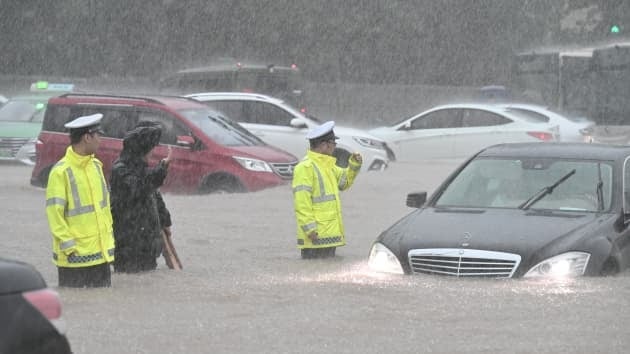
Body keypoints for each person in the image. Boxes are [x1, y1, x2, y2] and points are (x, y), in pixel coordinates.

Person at [45, 113, 115, 288]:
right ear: (87, 137)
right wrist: (70, 248)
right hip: (74, 261)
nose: (100, 140)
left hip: (101, 256)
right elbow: (55, 215)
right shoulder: (60, 172)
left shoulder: (96, 166)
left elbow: (104, 209)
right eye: (98, 135)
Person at [292, 121, 362, 259]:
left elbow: (344, 183)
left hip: (329, 236)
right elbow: (302, 202)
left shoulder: (328, 165)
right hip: (315, 238)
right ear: (324, 145)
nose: (335, 147)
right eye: (333, 143)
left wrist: (354, 165)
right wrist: (309, 228)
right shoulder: (305, 167)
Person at [109, 121, 173, 273]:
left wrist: (165, 221)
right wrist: (161, 169)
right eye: (151, 149)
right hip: (128, 248)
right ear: (141, 150)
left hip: (147, 247)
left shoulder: (142, 169)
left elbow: (154, 197)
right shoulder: (121, 170)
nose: (152, 153)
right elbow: (140, 188)